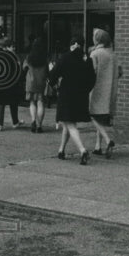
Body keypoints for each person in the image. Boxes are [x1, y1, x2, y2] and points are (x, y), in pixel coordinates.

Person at [48, 35, 95, 165]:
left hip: (67, 95)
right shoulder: (87, 59)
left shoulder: (65, 57)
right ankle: (61, 150)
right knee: (67, 123)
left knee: (70, 124)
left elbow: (53, 75)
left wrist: (52, 83)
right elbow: (92, 79)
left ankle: (82, 150)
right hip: (81, 96)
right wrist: (85, 90)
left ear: (73, 45)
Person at [88, 28, 119, 158]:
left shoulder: (95, 54)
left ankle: (107, 140)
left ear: (98, 39)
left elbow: (90, 72)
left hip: (96, 89)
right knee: (100, 118)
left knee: (91, 115)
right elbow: (120, 72)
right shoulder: (113, 54)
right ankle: (97, 146)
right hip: (110, 90)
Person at [23, 38, 49, 133]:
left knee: (32, 103)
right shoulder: (44, 58)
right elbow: (47, 71)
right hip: (41, 83)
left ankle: (33, 121)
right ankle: (39, 126)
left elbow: (24, 68)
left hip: (31, 82)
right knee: (40, 103)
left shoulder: (28, 57)